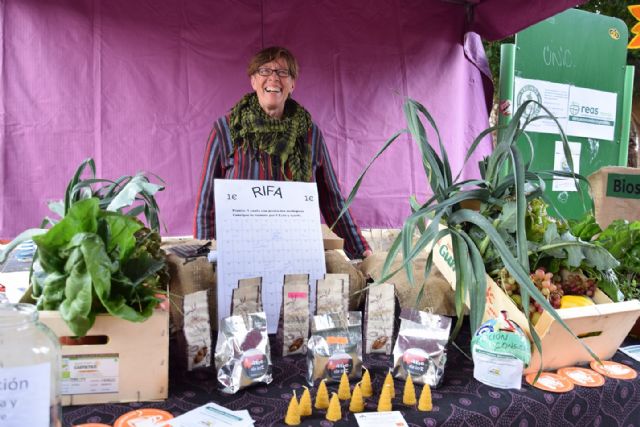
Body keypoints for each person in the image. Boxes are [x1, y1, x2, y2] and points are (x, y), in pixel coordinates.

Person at [193, 46, 371, 260]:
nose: (273, 78)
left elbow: (332, 200)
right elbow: (207, 201)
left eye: (282, 72)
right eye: (264, 71)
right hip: (240, 252)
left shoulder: (311, 134)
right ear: (253, 81)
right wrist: (203, 256)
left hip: (296, 251)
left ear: (292, 84)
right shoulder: (226, 130)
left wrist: (362, 251)